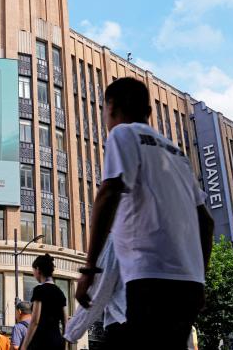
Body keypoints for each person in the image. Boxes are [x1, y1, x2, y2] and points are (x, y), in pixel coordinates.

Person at [74, 77, 214, 350]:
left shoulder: (123, 134)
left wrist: (89, 268)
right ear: (148, 112)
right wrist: (201, 276)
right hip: (189, 283)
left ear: (110, 107)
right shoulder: (177, 154)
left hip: (149, 275)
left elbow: (109, 191)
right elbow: (206, 221)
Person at [19, 254, 66, 350]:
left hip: (41, 341)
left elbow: (35, 321)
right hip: (57, 341)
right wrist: (63, 343)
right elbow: (65, 322)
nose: (33, 274)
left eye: (33, 271)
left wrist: (24, 346)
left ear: (38, 269)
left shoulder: (39, 290)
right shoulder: (60, 292)